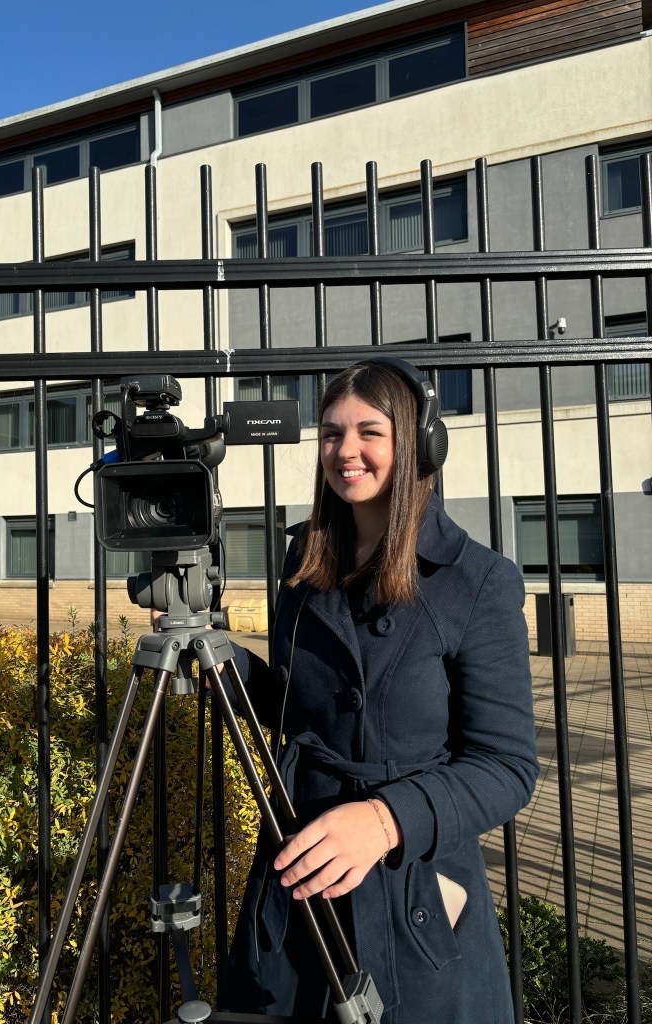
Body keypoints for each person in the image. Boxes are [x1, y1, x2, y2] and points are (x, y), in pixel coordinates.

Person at [220, 358, 539, 1024]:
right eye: (332, 433)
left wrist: (385, 820)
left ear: (419, 444)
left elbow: (506, 766)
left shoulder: (476, 580)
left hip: (408, 882)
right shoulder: (304, 562)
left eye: (370, 432)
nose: (346, 451)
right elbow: (300, 711)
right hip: (303, 863)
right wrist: (222, 661)